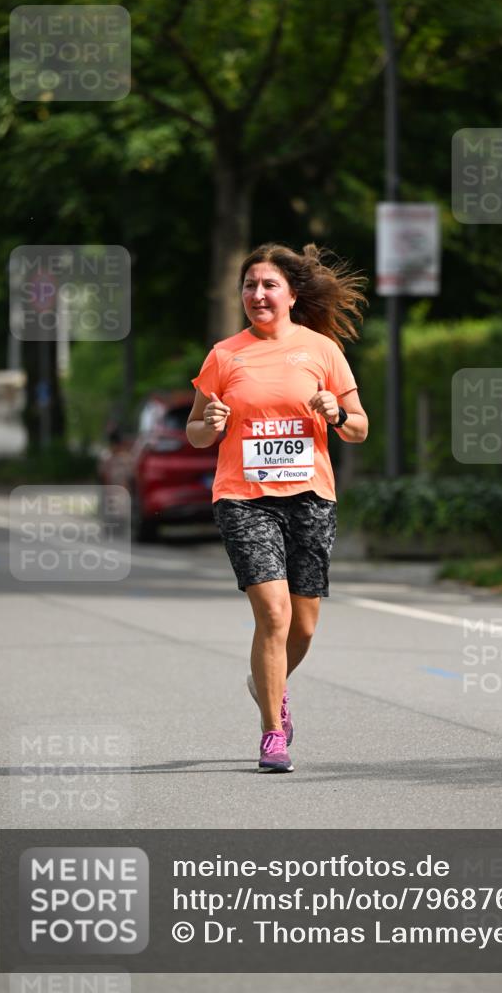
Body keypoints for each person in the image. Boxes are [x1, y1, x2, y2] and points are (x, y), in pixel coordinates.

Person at [187, 242, 369, 772]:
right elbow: (197, 432)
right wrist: (211, 425)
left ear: (291, 294)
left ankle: (268, 682)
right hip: (244, 498)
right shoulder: (225, 355)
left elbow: (359, 428)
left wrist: (336, 412)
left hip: (310, 496)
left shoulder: (322, 350)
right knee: (273, 613)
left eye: (268, 285)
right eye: (249, 285)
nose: (257, 294)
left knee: (304, 626)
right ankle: (272, 733)